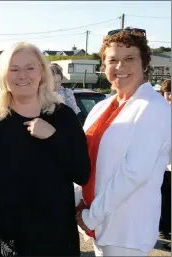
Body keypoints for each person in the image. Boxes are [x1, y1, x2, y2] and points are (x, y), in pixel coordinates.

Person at [0, 42, 91, 256]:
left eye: (30, 68)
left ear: (41, 72)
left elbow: (82, 173)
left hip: (54, 237)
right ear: (3, 75)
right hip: (6, 238)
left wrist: (53, 137)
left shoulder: (63, 116)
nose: (22, 75)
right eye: (14, 69)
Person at [75, 28, 171, 256]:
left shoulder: (153, 107)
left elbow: (135, 172)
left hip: (127, 232)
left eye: (129, 59)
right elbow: (83, 160)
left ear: (144, 64)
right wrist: (79, 203)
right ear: (103, 66)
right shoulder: (100, 108)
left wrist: (91, 215)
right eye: (113, 60)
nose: (120, 67)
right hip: (100, 228)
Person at [159, 79, 171, 250]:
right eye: (168, 92)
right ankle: (164, 229)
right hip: (163, 164)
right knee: (165, 198)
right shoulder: (160, 111)